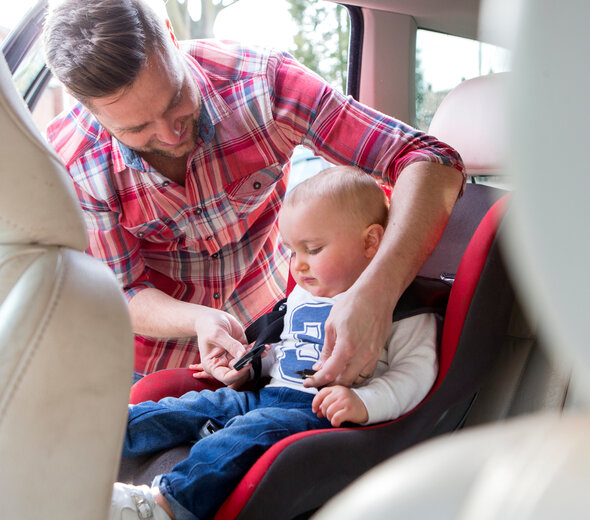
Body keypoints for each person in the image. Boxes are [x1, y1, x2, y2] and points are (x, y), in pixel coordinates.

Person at [42, 0, 464, 385]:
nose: (169, 135)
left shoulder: (265, 85)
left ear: (171, 38)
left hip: (273, 334)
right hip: (150, 362)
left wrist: (375, 294)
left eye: (176, 99)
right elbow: (124, 290)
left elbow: (430, 161)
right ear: (89, 110)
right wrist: (200, 320)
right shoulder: (75, 163)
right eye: (137, 130)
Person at [110, 166, 439, 520]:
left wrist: (363, 401)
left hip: (317, 414)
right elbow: (289, 349)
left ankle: (162, 506)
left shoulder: (400, 305)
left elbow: (416, 374)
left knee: (253, 430)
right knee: (193, 406)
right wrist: (254, 365)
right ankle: (96, 436)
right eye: (291, 251)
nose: (298, 265)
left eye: (312, 249)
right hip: (268, 394)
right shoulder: (302, 295)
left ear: (370, 242)